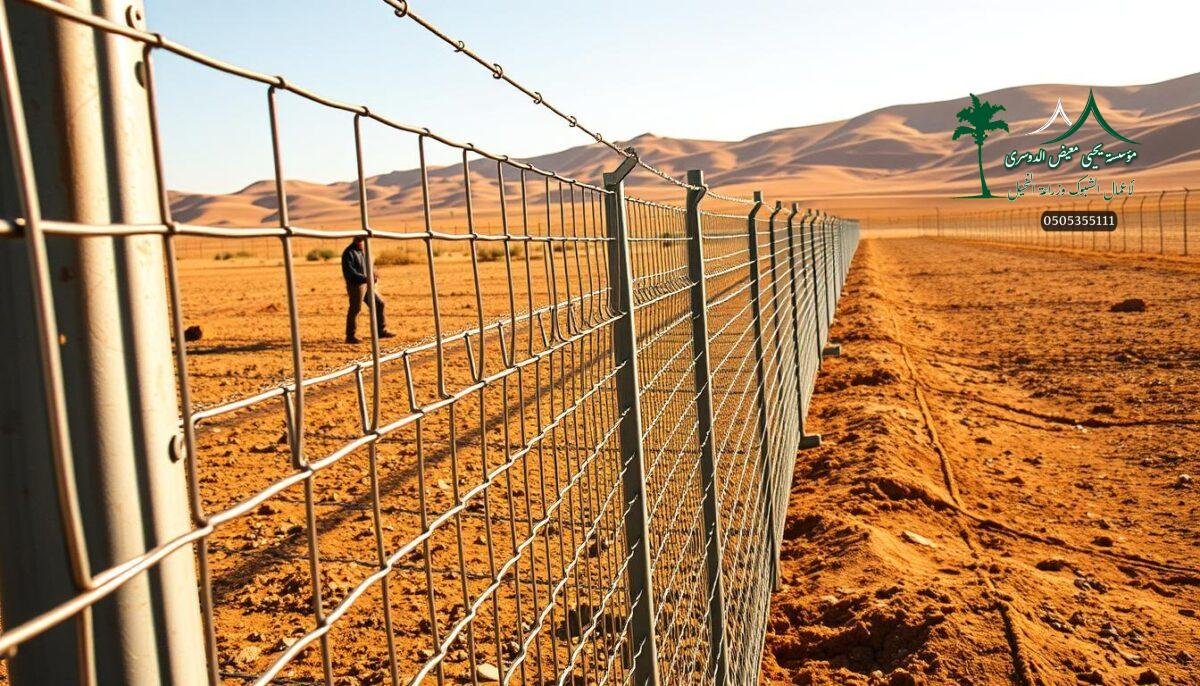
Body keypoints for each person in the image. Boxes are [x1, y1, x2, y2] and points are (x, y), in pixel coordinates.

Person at [341, 236, 395, 343]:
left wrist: (374, 274)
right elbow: (349, 273)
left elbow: (369, 265)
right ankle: (350, 336)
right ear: (355, 241)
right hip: (356, 285)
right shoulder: (349, 253)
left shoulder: (363, 251)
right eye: (360, 241)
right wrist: (366, 278)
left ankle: (381, 331)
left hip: (367, 284)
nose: (362, 243)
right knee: (355, 309)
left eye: (363, 242)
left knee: (379, 303)